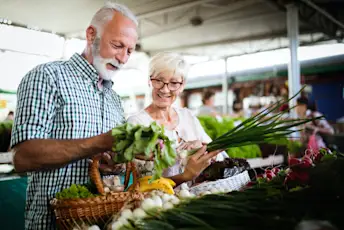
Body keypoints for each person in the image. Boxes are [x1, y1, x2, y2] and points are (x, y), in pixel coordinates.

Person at [11, 3, 139, 229]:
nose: (123, 58)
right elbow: (23, 157)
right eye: (117, 45)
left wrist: (114, 163)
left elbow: (110, 162)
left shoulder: (114, 98)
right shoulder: (47, 77)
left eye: (129, 50)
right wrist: (99, 142)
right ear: (91, 35)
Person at [127, 52, 226, 186]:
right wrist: (186, 176)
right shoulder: (137, 123)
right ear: (149, 81)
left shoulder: (188, 117)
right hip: (159, 202)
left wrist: (200, 148)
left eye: (173, 83)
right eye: (159, 80)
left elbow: (217, 155)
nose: (165, 89)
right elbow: (143, 183)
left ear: (182, 85)